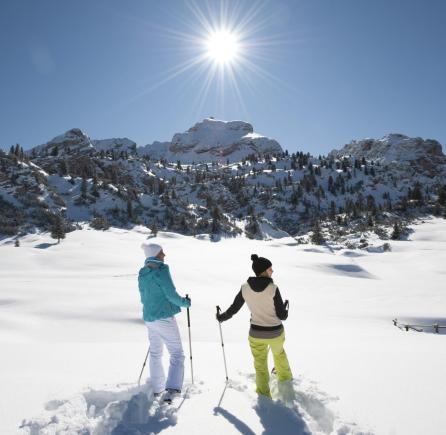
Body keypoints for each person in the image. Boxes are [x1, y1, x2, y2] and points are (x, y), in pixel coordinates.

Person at [216, 254, 292, 398]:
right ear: (263, 271)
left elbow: (234, 308)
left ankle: (263, 394)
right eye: (270, 269)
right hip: (275, 332)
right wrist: (285, 309)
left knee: (260, 364)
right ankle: (286, 383)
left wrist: (221, 317)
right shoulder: (273, 288)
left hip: (256, 334)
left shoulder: (245, 288)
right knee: (279, 355)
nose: (272, 271)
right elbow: (282, 316)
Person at [138, 242, 191, 401]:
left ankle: (157, 388)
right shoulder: (161, 271)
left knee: (155, 352)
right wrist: (185, 302)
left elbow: (143, 296)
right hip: (163, 317)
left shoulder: (143, 273)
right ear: (155, 254)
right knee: (177, 353)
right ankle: (173, 389)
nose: (164, 255)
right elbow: (171, 294)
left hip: (149, 317)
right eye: (162, 252)